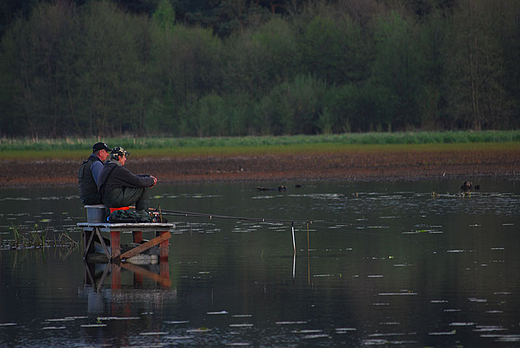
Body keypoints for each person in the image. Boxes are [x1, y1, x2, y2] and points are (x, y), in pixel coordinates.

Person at [97, 147, 157, 219]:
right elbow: (137, 182)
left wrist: (147, 176)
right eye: (124, 157)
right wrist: (151, 181)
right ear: (119, 157)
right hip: (115, 200)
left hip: (107, 201)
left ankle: (141, 214)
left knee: (143, 183)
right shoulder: (117, 169)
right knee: (143, 186)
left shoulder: (107, 167)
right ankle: (143, 215)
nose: (125, 159)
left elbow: (131, 178)